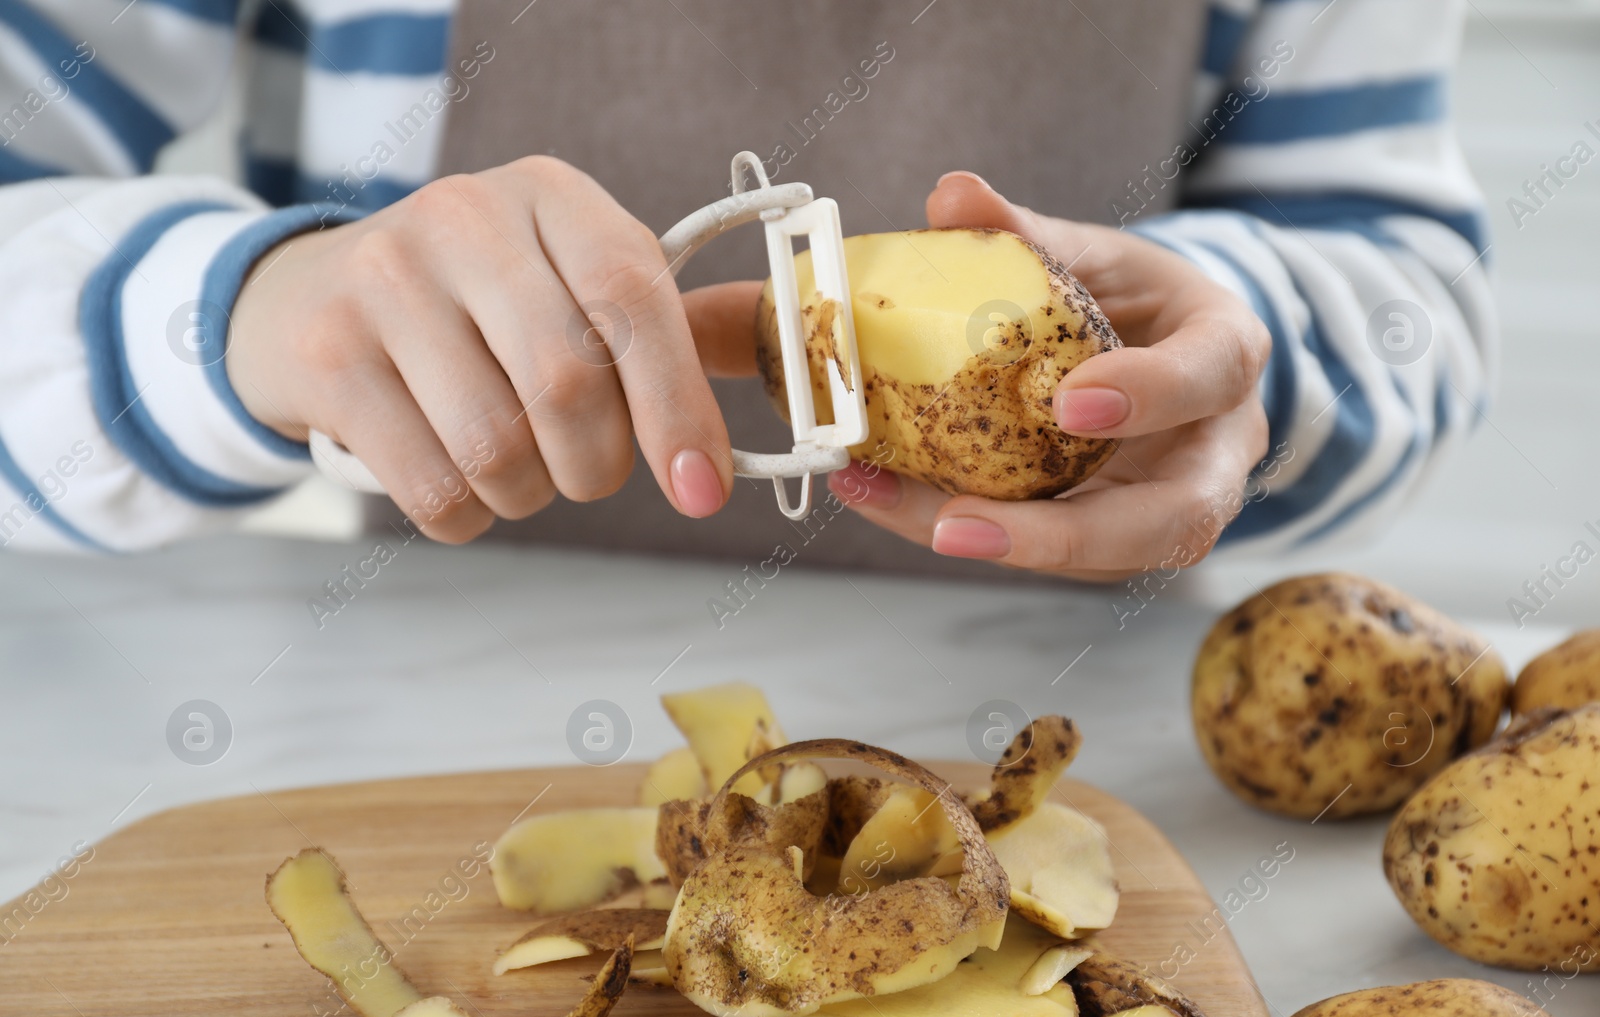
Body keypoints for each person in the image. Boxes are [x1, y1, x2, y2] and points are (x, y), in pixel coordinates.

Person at [0, 0, 1491, 584]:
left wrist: (1230, 364)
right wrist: (238, 313)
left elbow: (1400, 277)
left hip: (1077, 738)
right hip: (423, 699)